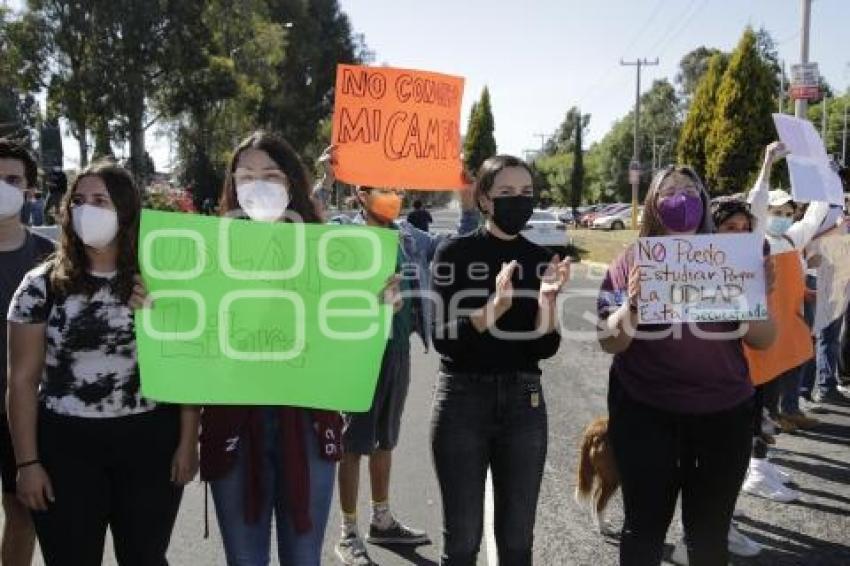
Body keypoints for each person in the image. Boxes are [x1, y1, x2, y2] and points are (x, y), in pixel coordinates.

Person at [6, 160, 198, 566]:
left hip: (150, 442)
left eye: (100, 200)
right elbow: (21, 382)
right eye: (78, 200)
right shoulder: (39, 286)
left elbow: (187, 366)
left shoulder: (161, 282)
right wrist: (27, 463)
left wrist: (187, 441)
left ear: (126, 211)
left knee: (145, 558)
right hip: (65, 447)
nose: (86, 210)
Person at [598, 165, 776, 566]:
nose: (680, 197)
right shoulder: (631, 261)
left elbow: (763, 339)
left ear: (704, 198)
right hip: (646, 414)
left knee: (710, 536)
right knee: (643, 528)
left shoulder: (733, 257)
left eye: (689, 189)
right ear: (652, 205)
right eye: (668, 191)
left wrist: (758, 294)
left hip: (723, 416)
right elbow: (611, 340)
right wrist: (633, 305)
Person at [198, 131, 355, 566]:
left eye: (270, 175)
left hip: (307, 421)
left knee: (303, 558)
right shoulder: (204, 252)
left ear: (291, 184)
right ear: (232, 185)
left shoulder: (331, 252)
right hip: (233, 420)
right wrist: (158, 306)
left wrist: (376, 306)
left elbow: (346, 333)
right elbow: (193, 332)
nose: (258, 185)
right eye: (246, 177)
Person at [319, 147, 480, 565]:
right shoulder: (341, 230)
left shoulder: (411, 236)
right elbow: (307, 228)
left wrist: (466, 197)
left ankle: (382, 518)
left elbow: (459, 245)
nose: (393, 196)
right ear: (360, 194)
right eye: (382, 189)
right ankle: (348, 530)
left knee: (385, 438)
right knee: (353, 442)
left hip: (397, 351)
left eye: (397, 188)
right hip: (355, 353)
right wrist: (326, 177)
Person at [430, 155, 570, 565]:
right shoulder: (454, 252)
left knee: (516, 542)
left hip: (523, 403)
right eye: (506, 193)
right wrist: (493, 308)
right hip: (461, 402)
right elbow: (443, 338)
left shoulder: (538, 258)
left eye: (526, 193)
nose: (518, 202)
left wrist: (547, 301)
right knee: (461, 541)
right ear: (485, 200)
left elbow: (543, 348)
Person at [0, 139, 53, 566]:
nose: (3, 187)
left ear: (29, 189)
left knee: (22, 515)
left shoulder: (49, 258)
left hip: (20, 413)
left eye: (12, 179)